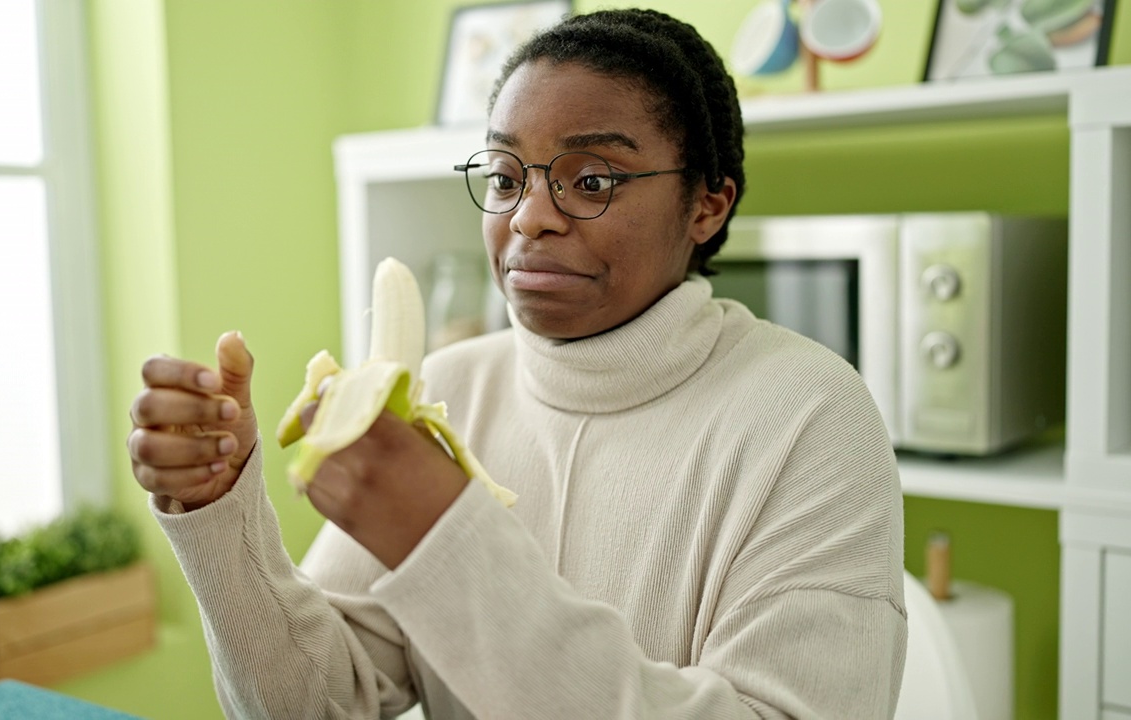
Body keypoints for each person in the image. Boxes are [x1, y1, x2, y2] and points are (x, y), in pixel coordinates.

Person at [127, 8, 907, 719]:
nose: (530, 216)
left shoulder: (811, 417)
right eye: (504, 178)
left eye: (592, 179)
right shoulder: (448, 388)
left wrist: (444, 541)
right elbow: (312, 704)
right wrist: (218, 509)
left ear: (708, 204)